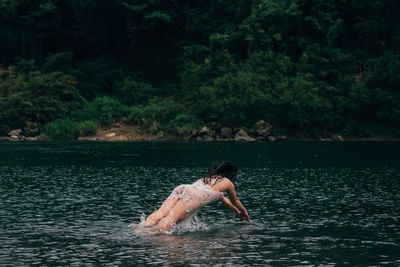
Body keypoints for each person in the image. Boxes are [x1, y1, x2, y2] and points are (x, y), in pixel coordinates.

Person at [143, 161, 250, 231]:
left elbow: (222, 198)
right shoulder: (228, 183)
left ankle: (142, 229)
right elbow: (235, 199)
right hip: (194, 195)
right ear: (231, 174)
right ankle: (155, 239)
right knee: (171, 219)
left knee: (161, 212)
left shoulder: (209, 178)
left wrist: (235, 210)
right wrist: (244, 212)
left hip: (183, 188)